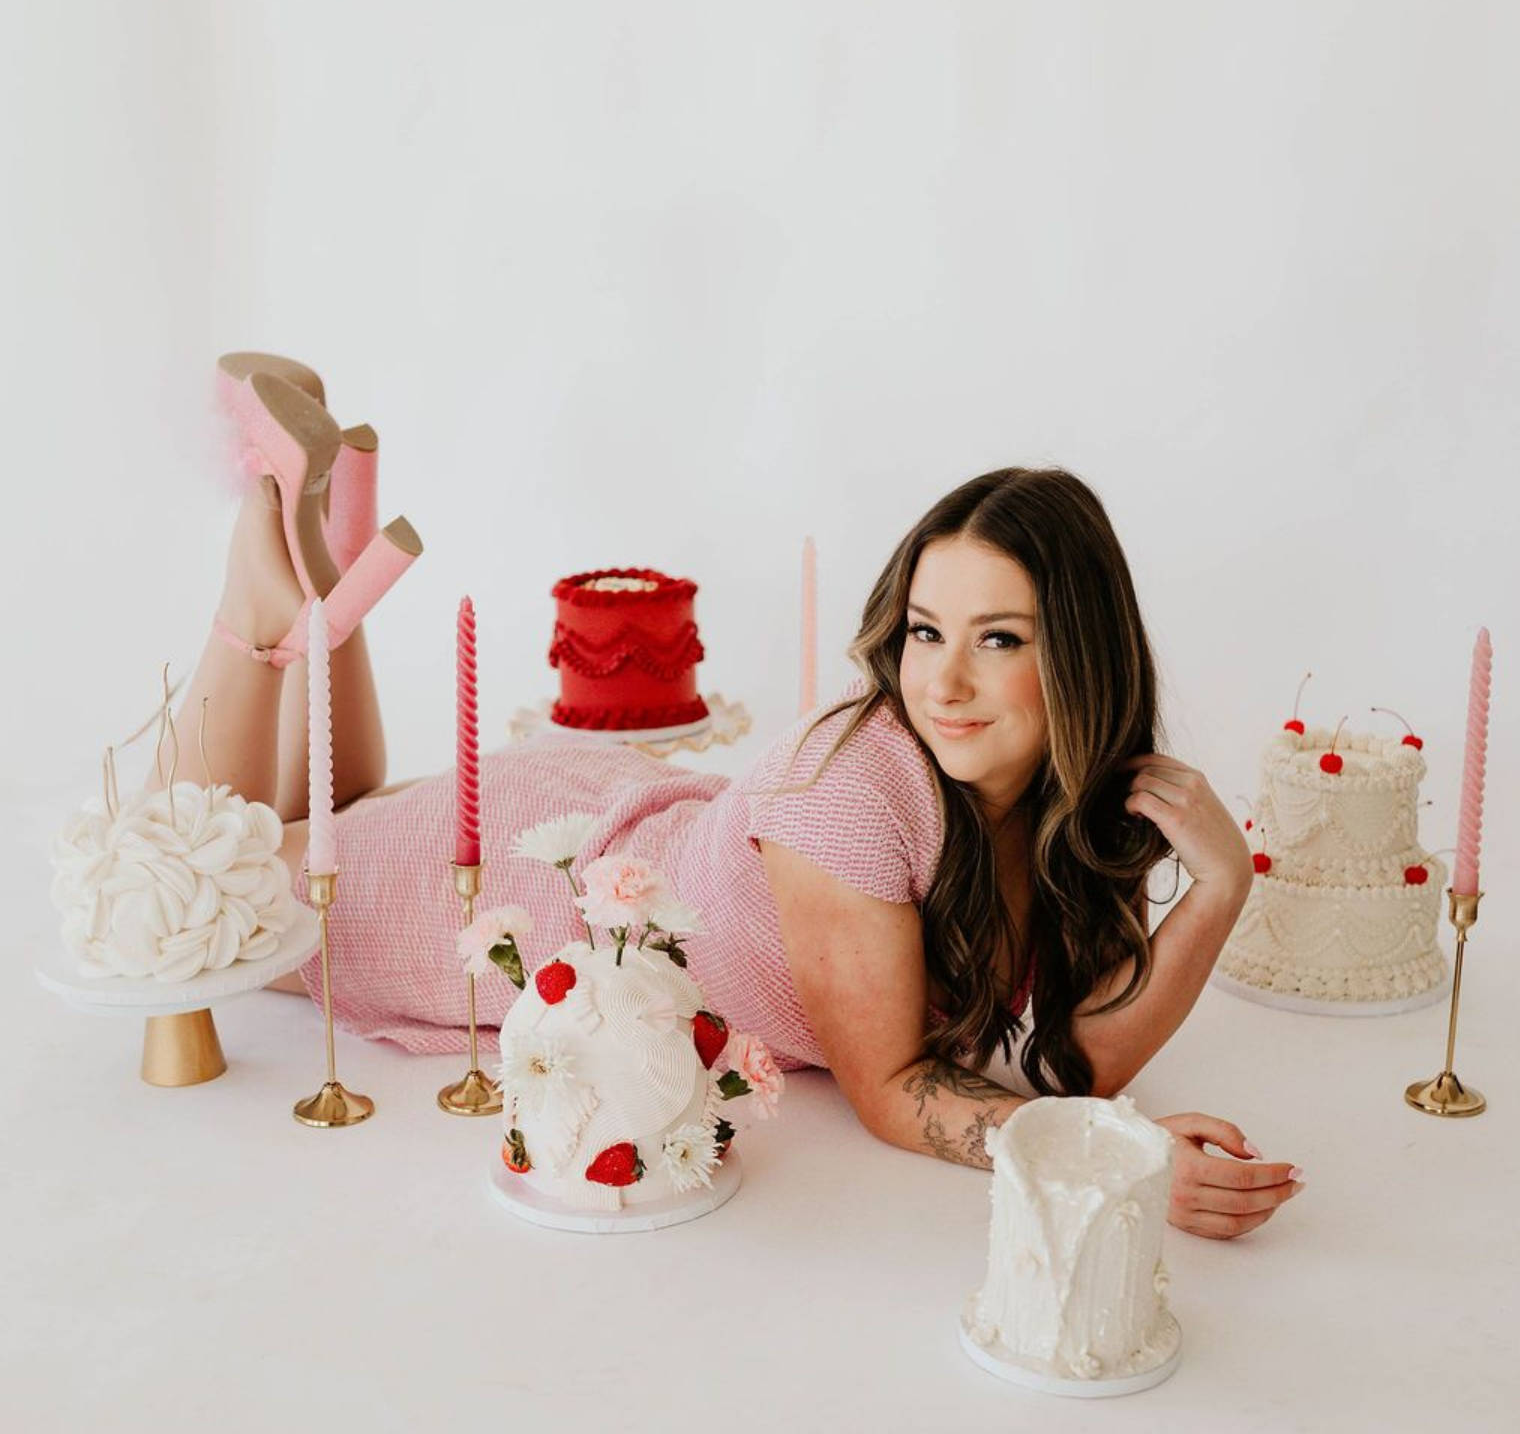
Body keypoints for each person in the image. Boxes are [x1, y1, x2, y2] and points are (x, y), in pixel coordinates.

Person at [159, 355, 1303, 1241]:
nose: (941, 683)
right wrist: (1119, 1158)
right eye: (923, 633)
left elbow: (1073, 1061)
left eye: (997, 639)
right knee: (190, 892)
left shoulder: (1052, 794)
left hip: (626, 826)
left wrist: (1218, 886)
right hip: (541, 901)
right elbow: (897, 1092)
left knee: (331, 817)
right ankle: (262, 588)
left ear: (1082, 657)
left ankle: (325, 566)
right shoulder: (857, 795)